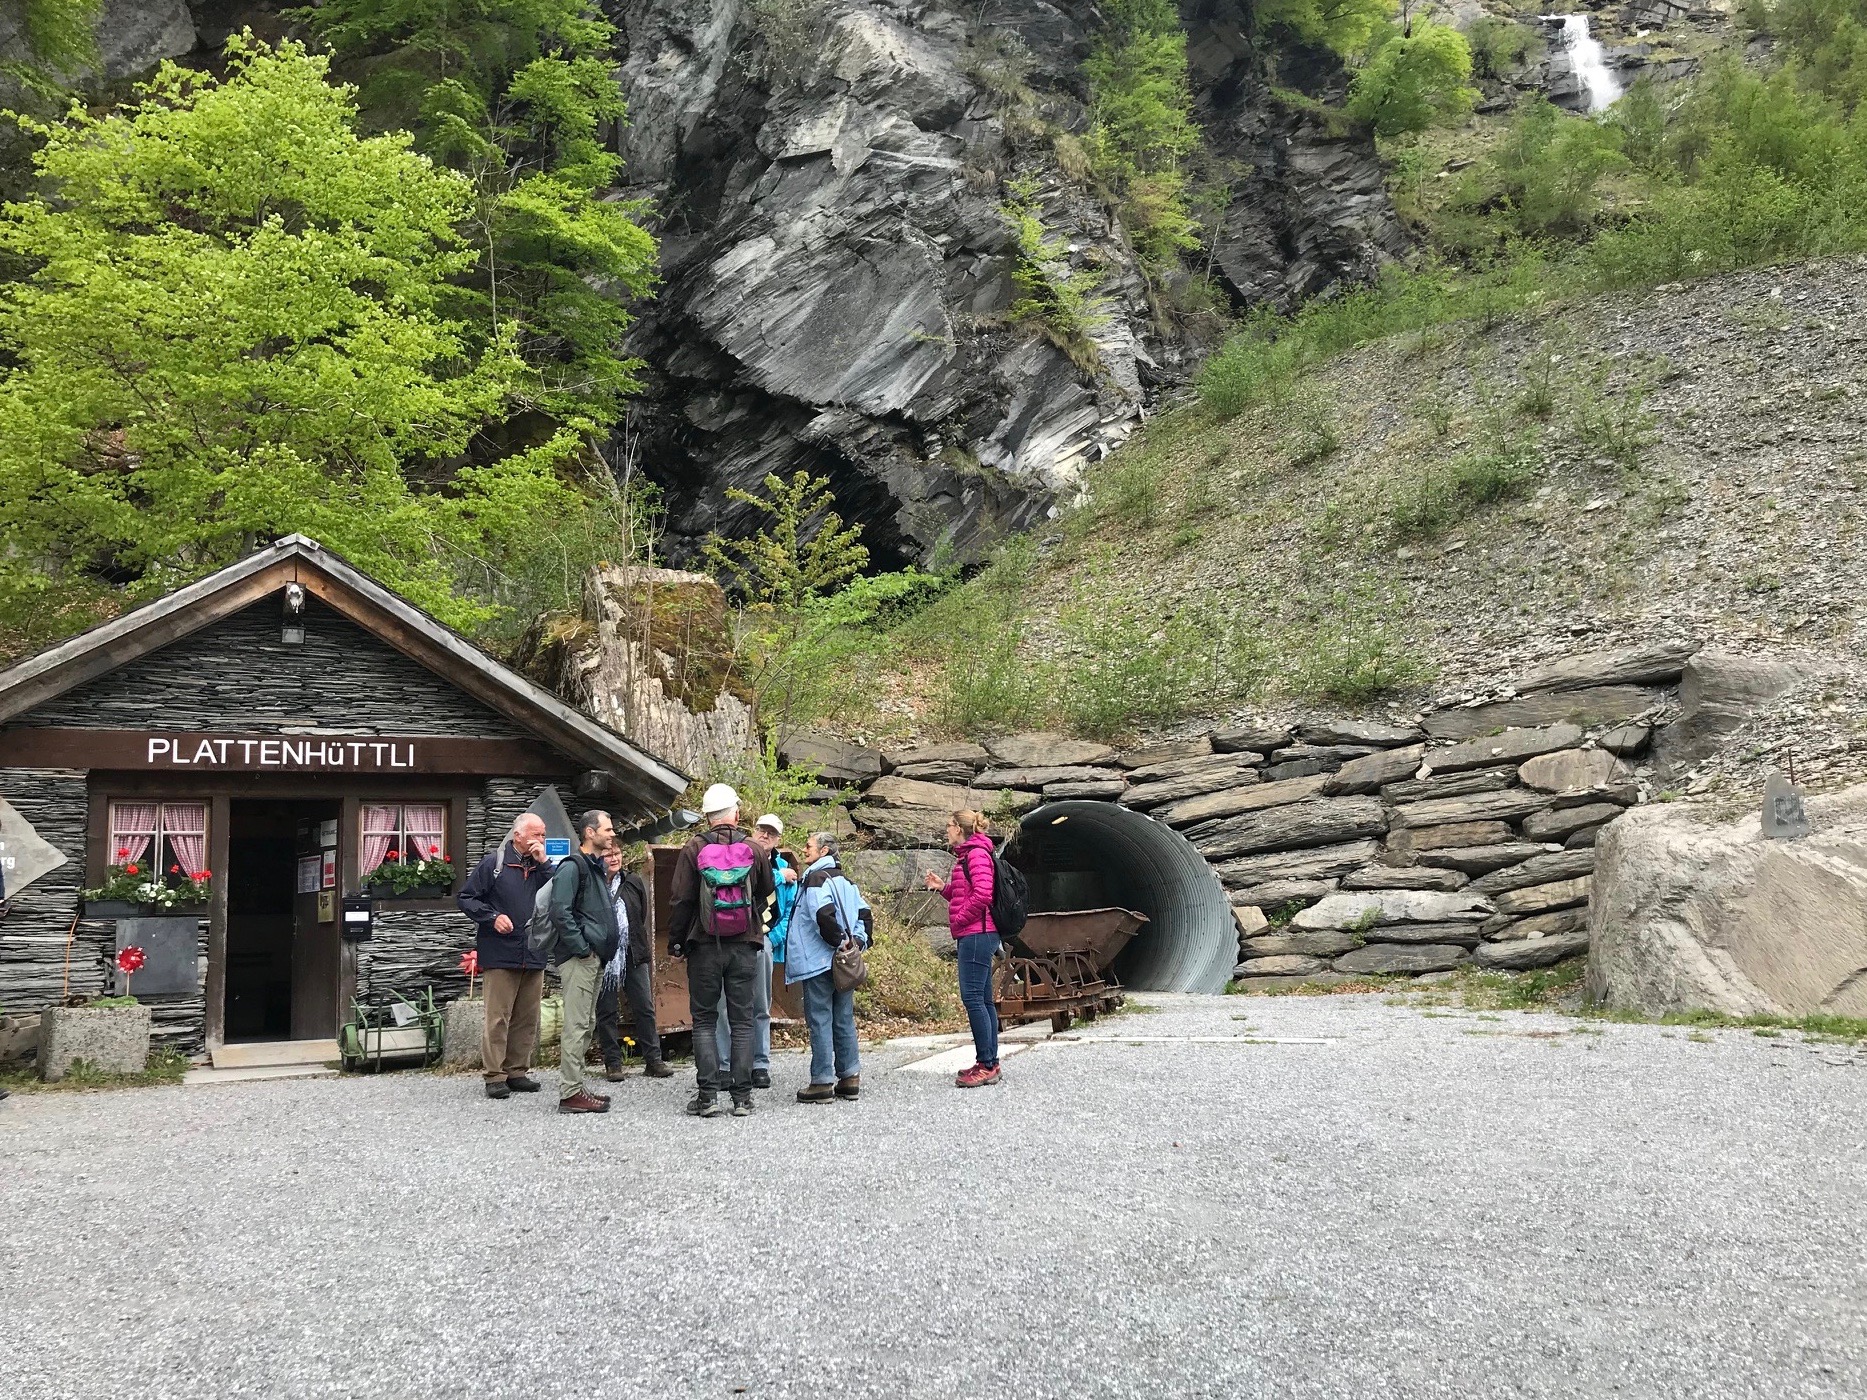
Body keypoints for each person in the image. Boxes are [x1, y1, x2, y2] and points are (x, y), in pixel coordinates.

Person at [668, 783, 774, 1118]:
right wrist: (753, 925)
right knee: (742, 1021)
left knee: (704, 1021)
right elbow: (768, 896)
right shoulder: (754, 849)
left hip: (703, 946)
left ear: (707, 815)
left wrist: (677, 941)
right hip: (745, 945)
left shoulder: (693, 848)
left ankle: (708, 1097)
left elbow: (681, 900)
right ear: (736, 813)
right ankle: (742, 1099)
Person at [457, 813, 555, 1100]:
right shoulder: (494, 864)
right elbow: (466, 897)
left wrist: (545, 863)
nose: (541, 840)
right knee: (497, 1017)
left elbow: (560, 892)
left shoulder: (542, 868)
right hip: (500, 952)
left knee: (527, 1017)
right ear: (518, 836)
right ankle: (494, 1075)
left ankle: (517, 1071)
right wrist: (492, 917)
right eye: (537, 834)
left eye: (544, 835)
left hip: (534, 951)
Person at [786, 832, 871, 1103]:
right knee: (843, 1018)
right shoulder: (847, 881)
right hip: (843, 963)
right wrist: (853, 943)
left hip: (819, 962)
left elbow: (822, 913)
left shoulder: (815, 878)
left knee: (820, 1020)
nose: (804, 849)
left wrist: (836, 943)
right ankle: (849, 1078)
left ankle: (822, 1082)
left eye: (809, 846)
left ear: (823, 851)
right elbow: (865, 916)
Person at [713, 813, 796, 1089]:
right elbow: (741, 877)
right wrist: (778, 876)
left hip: (764, 939)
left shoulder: (786, 868)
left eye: (771, 833)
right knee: (724, 1004)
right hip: (733, 936)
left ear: (778, 839)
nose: (765, 836)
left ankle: (760, 1064)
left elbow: (788, 911)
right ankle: (725, 1065)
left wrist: (773, 938)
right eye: (762, 830)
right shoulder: (740, 855)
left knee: (761, 1004)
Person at [550, 809, 622, 1115]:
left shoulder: (594, 867)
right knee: (577, 1025)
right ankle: (570, 1094)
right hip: (580, 959)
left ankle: (576, 1087)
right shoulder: (573, 867)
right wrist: (581, 948)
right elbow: (559, 911)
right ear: (589, 833)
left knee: (586, 1023)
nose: (611, 834)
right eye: (606, 829)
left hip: (593, 959)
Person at [926, 809, 1002, 1088]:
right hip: (977, 933)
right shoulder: (970, 854)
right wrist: (943, 887)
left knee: (973, 999)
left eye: (949, 825)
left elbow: (983, 894)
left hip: (976, 935)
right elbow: (966, 893)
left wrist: (959, 919)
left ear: (959, 828)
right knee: (983, 1001)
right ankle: (989, 1060)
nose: (946, 830)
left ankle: (987, 1065)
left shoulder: (976, 854)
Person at [595, 844, 672, 1081]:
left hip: (633, 952)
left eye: (617, 854)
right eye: (609, 855)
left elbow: (641, 915)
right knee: (606, 1010)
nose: (615, 858)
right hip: (603, 955)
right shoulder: (593, 884)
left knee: (644, 1007)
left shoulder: (632, 881)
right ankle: (613, 1063)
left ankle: (653, 1060)